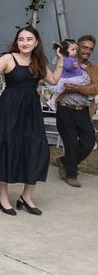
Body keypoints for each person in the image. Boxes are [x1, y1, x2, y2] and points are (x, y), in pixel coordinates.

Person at [0, 27, 63, 216]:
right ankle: (3, 198)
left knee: (36, 150)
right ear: (17, 41)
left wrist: (61, 60)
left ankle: (26, 197)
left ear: (36, 42)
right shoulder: (8, 58)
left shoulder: (38, 61)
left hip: (31, 112)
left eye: (29, 39)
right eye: (21, 39)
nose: (25, 42)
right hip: (9, 110)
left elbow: (53, 80)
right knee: (6, 148)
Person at [54, 35, 98, 187]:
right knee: (71, 141)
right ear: (78, 46)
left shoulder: (92, 68)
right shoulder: (66, 62)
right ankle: (71, 173)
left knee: (89, 142)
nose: (87, 51)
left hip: (83, 111)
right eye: (84, 47)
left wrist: (78, 88)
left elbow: (95, 87)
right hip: (65, 109)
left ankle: (65, 161)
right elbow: (55, 79)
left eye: (90, 49)